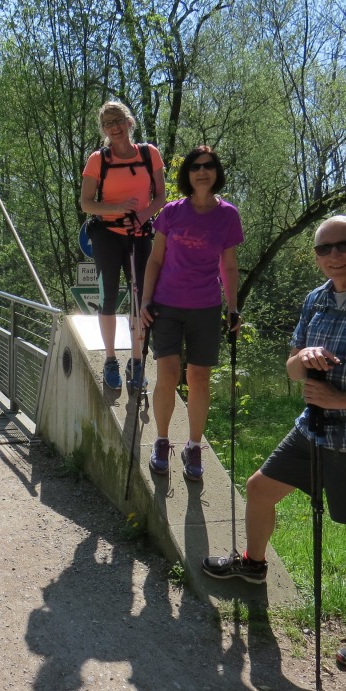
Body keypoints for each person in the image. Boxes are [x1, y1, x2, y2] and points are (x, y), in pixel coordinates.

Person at [202, 215, 346, 672]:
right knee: (260, 488)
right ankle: (253, 564)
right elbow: (292, 368)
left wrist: (342, 400)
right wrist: (302, 358)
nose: (334, 256)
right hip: (314, 427)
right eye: (324, 249)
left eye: (343, 245)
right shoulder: (317, 299)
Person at [139, 145, 242, 481]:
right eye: (196, 166)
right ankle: (161, 441)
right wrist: (145, 301)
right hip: (166, 304)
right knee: (167, 374)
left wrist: (233, 307)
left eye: (208, 166)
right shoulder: (171, 212)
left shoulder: (228, 216)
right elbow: (155, 259)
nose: (202, 171)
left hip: (206, 307)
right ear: (188, 174)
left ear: (216, 172)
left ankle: (194, 446)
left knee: (199, 378)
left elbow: (229, 266)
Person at [79, 101, 166, 391]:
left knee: (141, 298)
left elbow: (160, 196)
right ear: (103, 130)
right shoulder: (98, 159)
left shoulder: (149, 154)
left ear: (129, 122)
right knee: (108, 297)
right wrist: (117, 208)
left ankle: (137, 361)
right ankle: (111, 360)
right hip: (107, 233)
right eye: (108, 123)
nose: (114, 127)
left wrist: (142, 215)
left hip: (139, 233)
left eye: (118, 120)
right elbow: (86, 203)